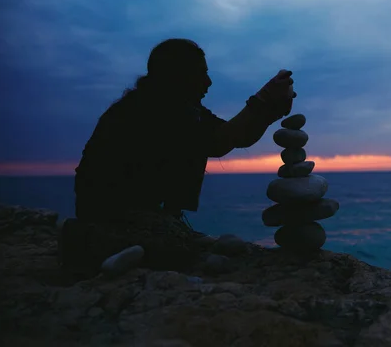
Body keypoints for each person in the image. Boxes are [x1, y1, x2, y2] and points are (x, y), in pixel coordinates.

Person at [58, 38, 296, 275]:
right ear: (177, 76)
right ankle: (107, 244)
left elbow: (235, 137)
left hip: (135, 213)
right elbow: (219, 141)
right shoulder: (151, 108)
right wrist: (263, 100)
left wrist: (269, 111)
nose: (208, 82)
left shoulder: (183, 107)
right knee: (180, 252)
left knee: (184, 246)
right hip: (111, 215)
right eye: (200, 74)